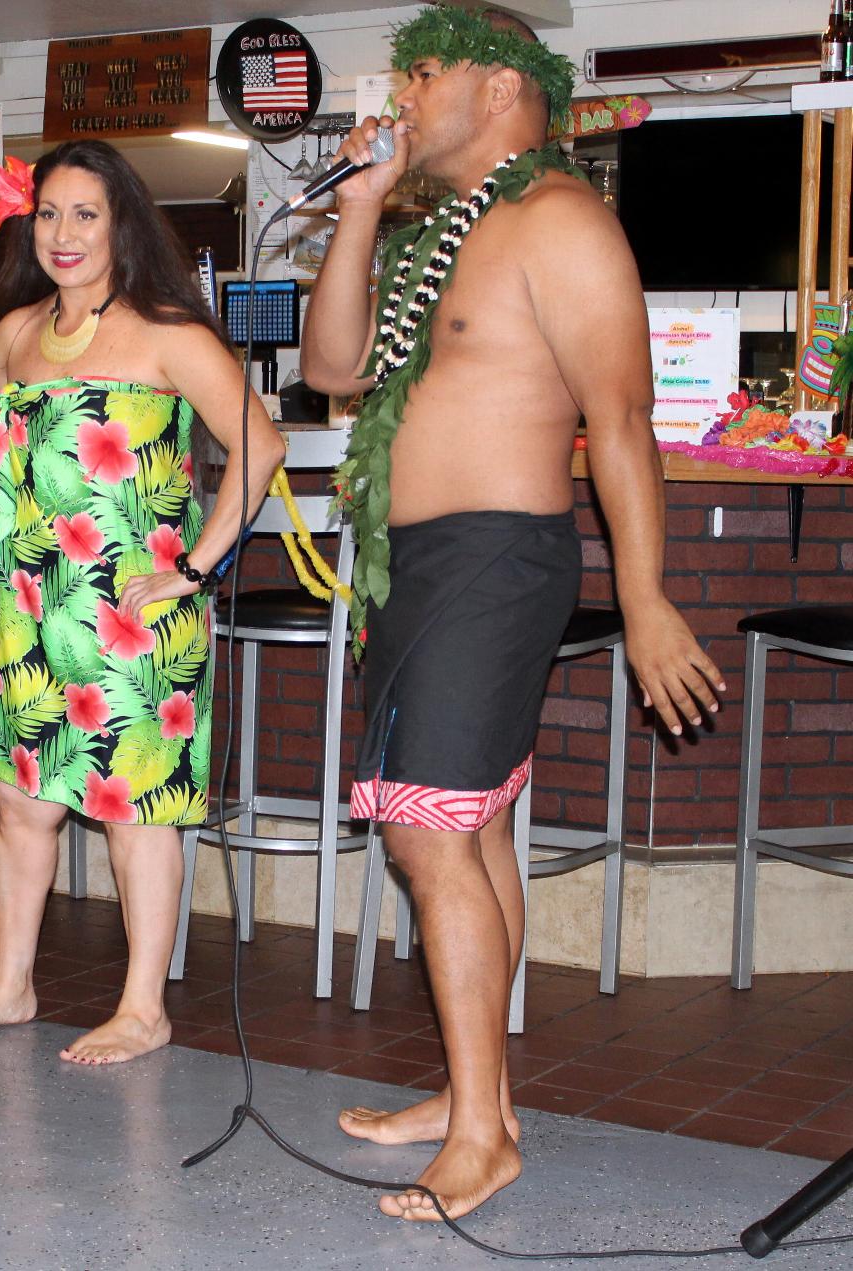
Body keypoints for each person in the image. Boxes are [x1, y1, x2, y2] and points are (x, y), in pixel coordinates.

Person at [301, 6, 725, 1223]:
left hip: (496, 562)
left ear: (496, 86)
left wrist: (644, 600)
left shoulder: (559, 222)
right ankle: (466, 1090)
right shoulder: (440, 233)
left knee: (430, 835)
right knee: (466, 830)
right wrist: (361, 207)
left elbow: (624, 425)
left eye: (421, 73)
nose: (402, 93)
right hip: (416, 565)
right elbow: (333, 368)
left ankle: (484, 1132)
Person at [0, 139, 284, 1065]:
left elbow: (261, 447)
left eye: (85, 214)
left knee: (135, 811)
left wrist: (195, 569)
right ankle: (13, 985)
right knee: (21, 804)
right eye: (48, 214)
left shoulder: (169, 333)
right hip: (28, 607)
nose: (63, 233)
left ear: (122, 224)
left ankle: (143, 1007)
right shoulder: (12, 335)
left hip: (131, 615)